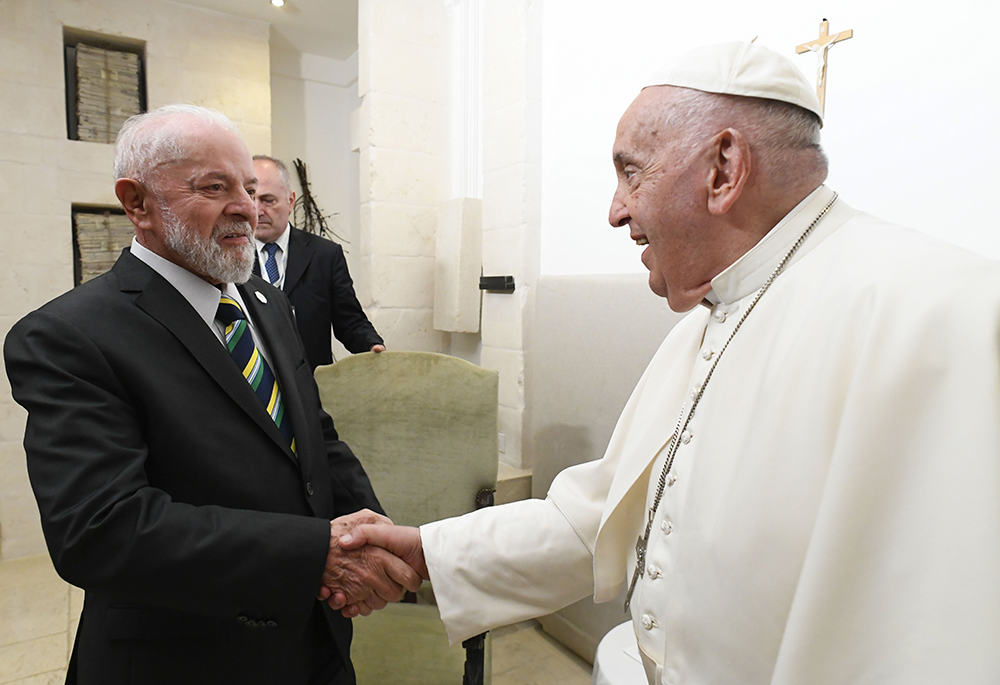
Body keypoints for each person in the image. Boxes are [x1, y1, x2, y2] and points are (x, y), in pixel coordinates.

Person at [334, 41, 1000, 683]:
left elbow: (939, 643)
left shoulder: (943, 316)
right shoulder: (709, 317)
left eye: (631, 171)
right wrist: (429, 552)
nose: (616, 210)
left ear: (723, 170)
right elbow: (600, 517)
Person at [3, 105, 420, 685]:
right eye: (215, 187)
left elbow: (315, 438)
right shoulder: (68, 336)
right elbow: (101, 532)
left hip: (312, 639)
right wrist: (314, 555)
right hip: (185, 656)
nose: (247, 209)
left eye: (250, 189)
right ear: (137, 202)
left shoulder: (266, 304)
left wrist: (372, 541)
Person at [251, 155, 384, 370]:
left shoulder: (324, 255)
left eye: (268, 200)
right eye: (250, 198)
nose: (257, 210)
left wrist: (372, 346)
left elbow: (349, 321)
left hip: (311, 387)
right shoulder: (228, 257)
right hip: (255, 387)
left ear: (290, 201)